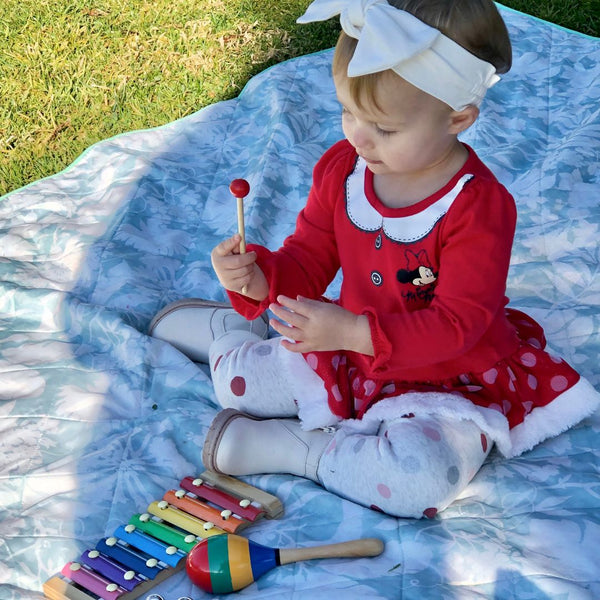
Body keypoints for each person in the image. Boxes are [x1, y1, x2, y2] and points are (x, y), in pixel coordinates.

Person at [149, 0, 600, 518]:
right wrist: (258, 279)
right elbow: (309, 259)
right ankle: (233, 330)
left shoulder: (480, 207)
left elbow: (462, 324)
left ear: (458, 118)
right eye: (348, 111)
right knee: (237, 385)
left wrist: (352, 334)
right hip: (349, 346)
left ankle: (303, 451)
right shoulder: (344, 170)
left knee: (422, 481)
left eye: (384, 128)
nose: (357, 137)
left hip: (449, 374)